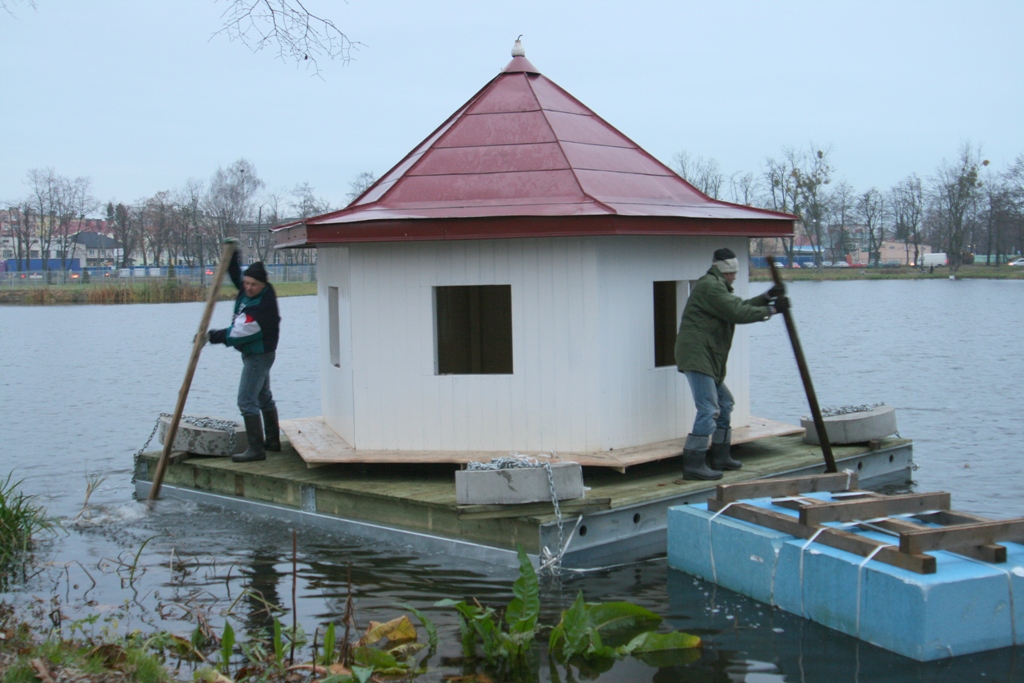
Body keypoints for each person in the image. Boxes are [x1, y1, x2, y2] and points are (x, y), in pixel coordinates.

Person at [674, 248, 788, 480]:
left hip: (707, 355)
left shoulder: (715, 287)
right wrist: (773, 309)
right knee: (709, 408)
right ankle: (693, 465)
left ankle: (720, 456)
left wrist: (766, 298)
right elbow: (737, 313)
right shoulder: (710, 287)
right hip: (697, 355)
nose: (734, 277)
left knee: (725, 404)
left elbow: (736, 306)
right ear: (723, 271)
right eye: (732, 273)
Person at [208, 240, 281, 463]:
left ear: (263, 285)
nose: (248, 287)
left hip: (259, 355)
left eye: (253, 285)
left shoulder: (263, 307)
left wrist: (210, 336)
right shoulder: (250, 290)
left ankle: (256, 449)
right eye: (247, 283)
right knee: (263, 396)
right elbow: (236, 276)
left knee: (246, 399)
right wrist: (233, 256)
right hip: (255, 353)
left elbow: (239, 332)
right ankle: (273, 441)